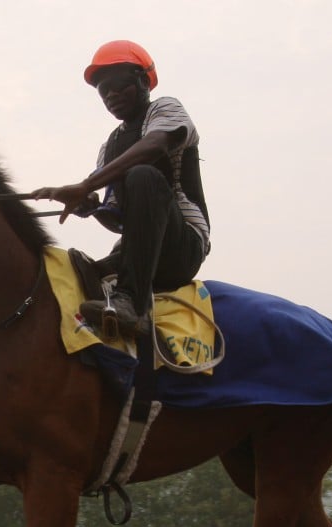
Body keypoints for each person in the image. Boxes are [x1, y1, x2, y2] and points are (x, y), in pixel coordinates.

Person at [33, 40, 210, 339]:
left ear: (144, 81)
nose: (111, 95)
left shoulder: (165, 109)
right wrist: (92, 207)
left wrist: (86, 185)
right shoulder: (110, 147)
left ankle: (131, 305)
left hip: (182, 248)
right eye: (104, 91)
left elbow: (154, 147)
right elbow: (120, 221)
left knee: (144, 175)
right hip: (136, 252)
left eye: (120, 86)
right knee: (77, 271)